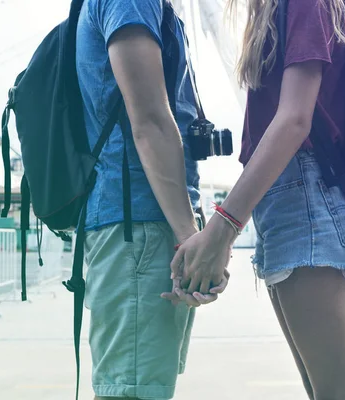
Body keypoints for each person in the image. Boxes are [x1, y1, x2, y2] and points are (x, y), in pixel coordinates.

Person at [164, 0, 345, 398]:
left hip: (304, 200)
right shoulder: (274, 11)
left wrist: (221, 230)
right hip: (283, 201)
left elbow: (296, 119)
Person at [75, 0, 226, 399]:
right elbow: (150, 121)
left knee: (141, 384)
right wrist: (189, 238)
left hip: (140, 222)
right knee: (134, 390)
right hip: (140, 224)